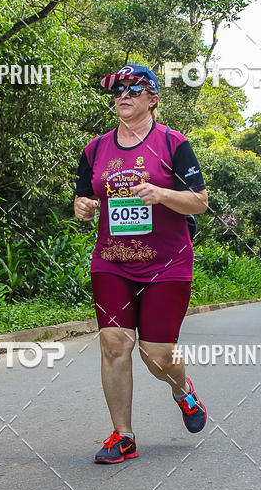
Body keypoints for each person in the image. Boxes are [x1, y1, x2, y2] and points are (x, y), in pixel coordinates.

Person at [74, 64, 209, 464]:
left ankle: (183, 392)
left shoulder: (173, 143)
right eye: (117, 90)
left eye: (133, 88)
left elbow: (200, 201)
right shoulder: (95, 149)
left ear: (153, 98)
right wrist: (83, 206)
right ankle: (123, 435)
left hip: (167, 264)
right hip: (112, 260)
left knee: (156, 355)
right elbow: (84, 198)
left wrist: (162, 194)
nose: (122, 95)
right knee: (114, 344)